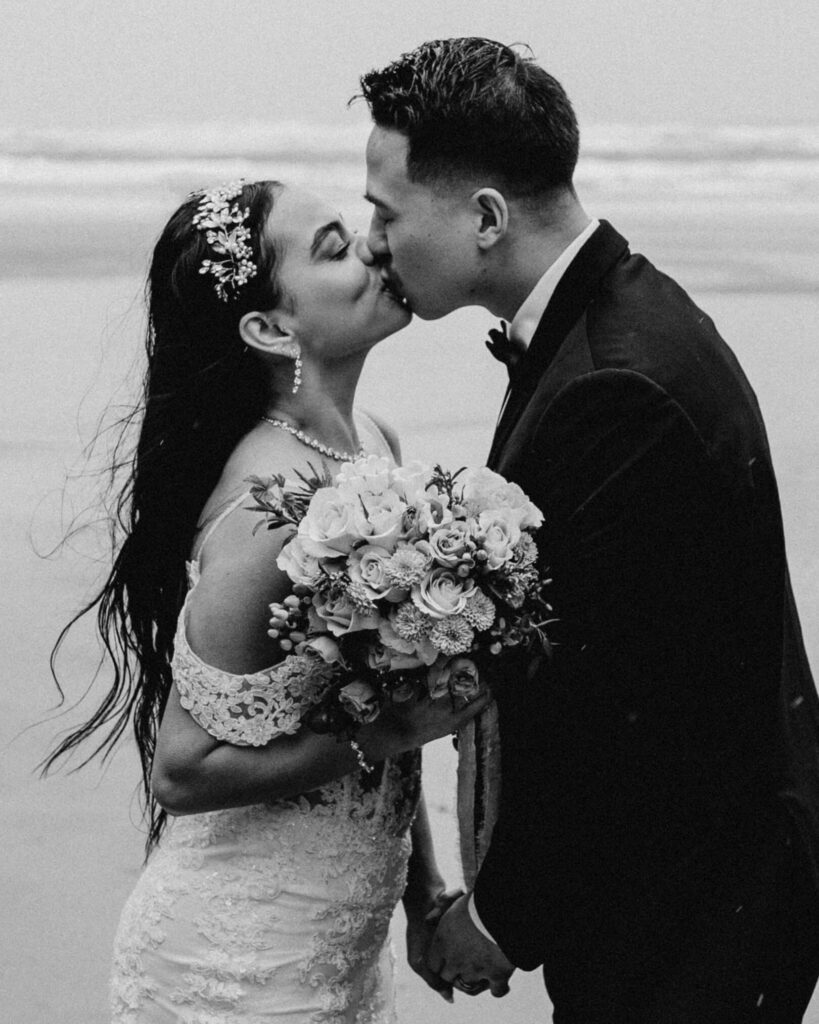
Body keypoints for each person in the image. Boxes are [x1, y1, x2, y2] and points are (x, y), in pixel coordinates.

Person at [359, 37, 819, 1022]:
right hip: (700, 889)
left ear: (485, 217)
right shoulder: (608, 321)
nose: (374, 243)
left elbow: (605, 712)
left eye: (385, 213)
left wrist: (499, 916)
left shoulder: (615, 381)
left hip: (692, 917)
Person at [44, 179, 489, 1022]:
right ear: (270, 327)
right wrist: (399, 729)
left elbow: (379, 683)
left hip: (337, 948)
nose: (372, 248)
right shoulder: (265, 506)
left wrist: (423, 897)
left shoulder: (373, 445)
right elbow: (182, 769)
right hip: (239, 966)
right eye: (332, 246)